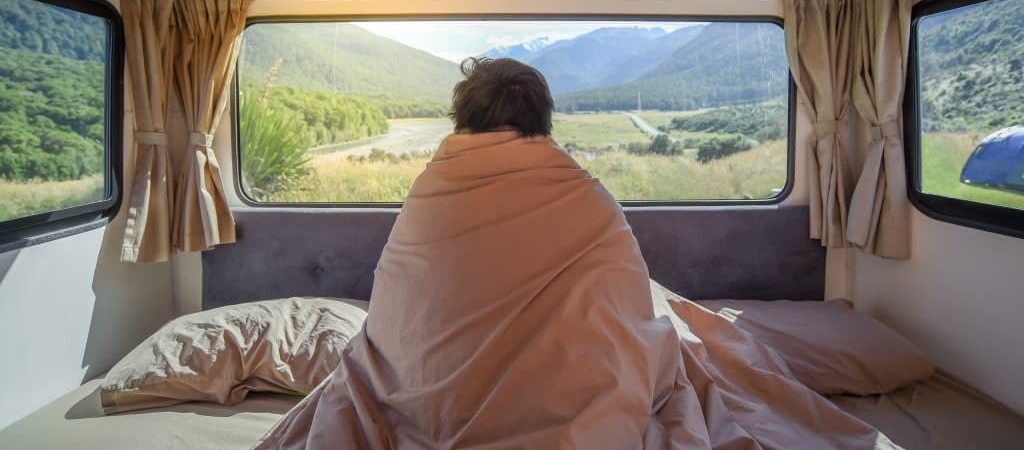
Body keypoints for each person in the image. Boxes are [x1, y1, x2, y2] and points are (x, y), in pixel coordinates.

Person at [255, 57, 897, 450]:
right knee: (669, 333)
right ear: (543, 122)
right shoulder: (586, 198)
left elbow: (396, 324)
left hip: (428, 407)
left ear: (462, 119)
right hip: (583, 417)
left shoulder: (429, 194)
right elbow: (630, 314)